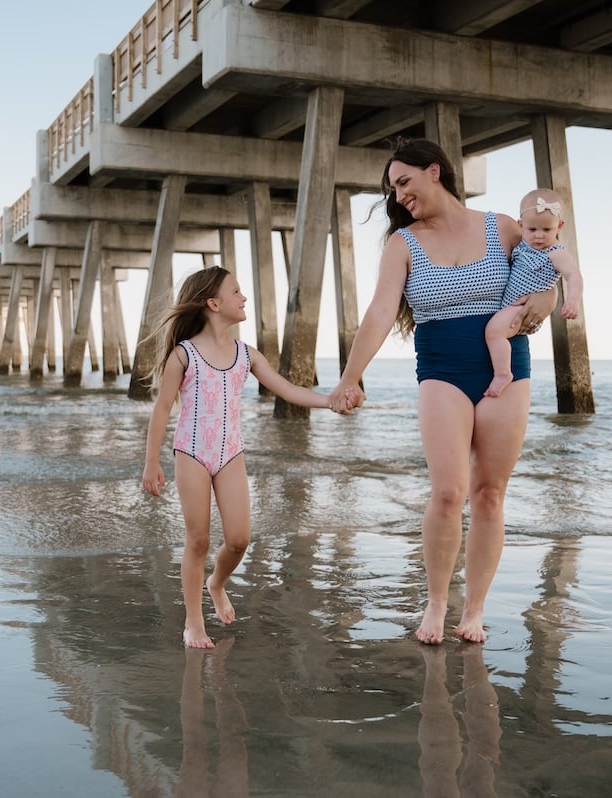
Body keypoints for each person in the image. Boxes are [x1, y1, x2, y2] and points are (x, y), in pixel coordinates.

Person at [327, 138, 557, 644]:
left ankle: (473, 612)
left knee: (490, 495)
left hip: (506, 371)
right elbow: (380, 312)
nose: (400, 196)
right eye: (394, 190)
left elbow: (545, 270)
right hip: (441, 371)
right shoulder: (402, 244)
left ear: (435, 171)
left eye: (404, 182)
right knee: (450, 492)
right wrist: (350, 376)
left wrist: (542, 301)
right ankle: (435, 604)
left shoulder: (501, 227)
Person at [143, 266, 336, 649]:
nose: (244, 297)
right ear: (214, 304)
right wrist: (152, 462)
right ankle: (194, 622)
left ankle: (217, 582)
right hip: (192, 453)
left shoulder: (246, 355)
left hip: (230, 453)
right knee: (198, 540)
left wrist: (329, 401)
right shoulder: (184, 355)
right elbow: (163, 409)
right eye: (236, 292)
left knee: (239, 539)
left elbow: (286, 388)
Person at [484, 188, 583, 397]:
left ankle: (503, 373)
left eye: (547, 230)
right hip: (510, 304)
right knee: (495, 334)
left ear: (560, 226)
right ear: (521, 226)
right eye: (532, 229)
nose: (539, 236)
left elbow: (574, 275)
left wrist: (573, 300)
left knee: (493, 332)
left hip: (522, 308)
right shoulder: (522, 244)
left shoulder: (556, 253)